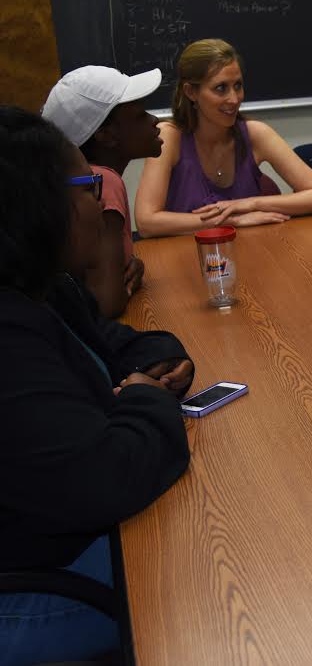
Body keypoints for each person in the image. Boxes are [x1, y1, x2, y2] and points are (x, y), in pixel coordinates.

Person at [0, 106, 194, 662]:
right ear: (38, 207)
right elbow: (106, 477)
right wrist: (144, 399)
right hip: (35, 584)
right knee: (201, 581)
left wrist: (163, 360)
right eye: (87, 186)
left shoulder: (44, 289)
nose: (100, 201)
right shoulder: (8, 338)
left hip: (59, 540)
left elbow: (116, 342)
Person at [135, 38, 312, 237]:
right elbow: (146, 222)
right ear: (191, 92)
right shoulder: (169, 137)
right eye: (220, 88)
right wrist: (232, 221)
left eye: (237, 86)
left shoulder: (256, 133)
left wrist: (250, 204)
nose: (234, 98)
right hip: (184, 259)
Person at [42, 65, 163, 317]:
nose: (155, 120)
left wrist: (133, 266)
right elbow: (106, 303)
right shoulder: (103, 182)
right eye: (140, 116)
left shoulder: (86, 179)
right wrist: (127, 285)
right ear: (106, 136)